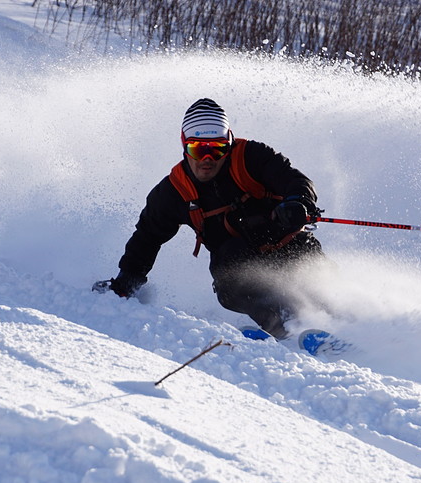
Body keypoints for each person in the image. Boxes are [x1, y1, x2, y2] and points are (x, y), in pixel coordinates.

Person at [96, 98, 323, 339]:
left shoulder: (251, 157)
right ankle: (280, 326)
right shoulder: (174, 192)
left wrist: (298, 202)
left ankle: (344, 324)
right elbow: (147, 237)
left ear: (229, 144)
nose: (207, 159)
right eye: (198, 149)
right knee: (227, 267)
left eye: (217, 149)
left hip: (291, 249)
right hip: (238, 267)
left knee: (321, 286)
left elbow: (296, 180)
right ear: (184, 146)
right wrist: (125, 284)